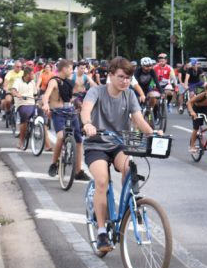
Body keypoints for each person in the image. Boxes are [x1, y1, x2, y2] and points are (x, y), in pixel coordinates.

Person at [80, 57, 162, 256]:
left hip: (119, 142)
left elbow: (138, 119)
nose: (125, 81)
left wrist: (152, 132)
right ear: (110, 75)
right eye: (121, 77)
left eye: (128, 78)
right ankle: (101, 232)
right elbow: (86, 110)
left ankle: (128, 205)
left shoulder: (130, 95)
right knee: (102, 181)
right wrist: (88, 124)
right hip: (97, 143)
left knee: (129, 167)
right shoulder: (96, 91)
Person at [42, 59, 90, 182]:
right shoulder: (54, 81)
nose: (72, 70)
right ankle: (54, 164)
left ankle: (78, 171)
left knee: (79, 140)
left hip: (70, 111)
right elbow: (46, 95)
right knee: (60, 136)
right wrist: (46, 105)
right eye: (70, 68)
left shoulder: (69, 82)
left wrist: (79, 104)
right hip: (58, 113)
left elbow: (72, 97)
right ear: (64, 69)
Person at [11, 66, 40, 150]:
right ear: (27, 75)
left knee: (43, 113)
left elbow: (35, 94)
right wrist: (17, 94)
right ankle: (21, 141)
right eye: (32, 74)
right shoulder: (18, 81)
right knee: (25, 115)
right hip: (22, 104)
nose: (34, 75)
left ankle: (46, 144)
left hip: (32, 103)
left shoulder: (32, 82)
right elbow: (13, 90)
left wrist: (38, 100)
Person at [187, 83, 207, 152]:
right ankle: (192, 146)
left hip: (206, 109)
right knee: (196, 128)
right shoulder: (201, 95)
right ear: (205, 91)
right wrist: (192, 112)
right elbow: (189, 103)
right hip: (197, 109)